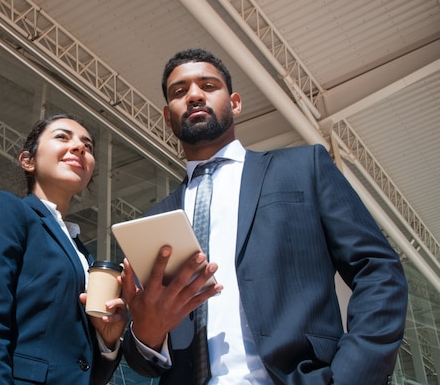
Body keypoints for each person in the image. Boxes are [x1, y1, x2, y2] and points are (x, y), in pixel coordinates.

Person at [121, 49, 408, 385]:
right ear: (168, 118)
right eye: (179, 92)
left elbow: (378, 271)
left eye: (208, 85)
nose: (195, 95)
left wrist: (352, 376)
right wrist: (145, 335)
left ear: (236, 103)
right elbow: (146, 360)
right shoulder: (155, 221)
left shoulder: (303, 168)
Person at [0, 114, 126, 384]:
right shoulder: (7, 210)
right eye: (62, 137)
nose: (80, 147)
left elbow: (82, 370)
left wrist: (107, 341)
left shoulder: (81, 253)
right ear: (28, 161)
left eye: (88, 146)